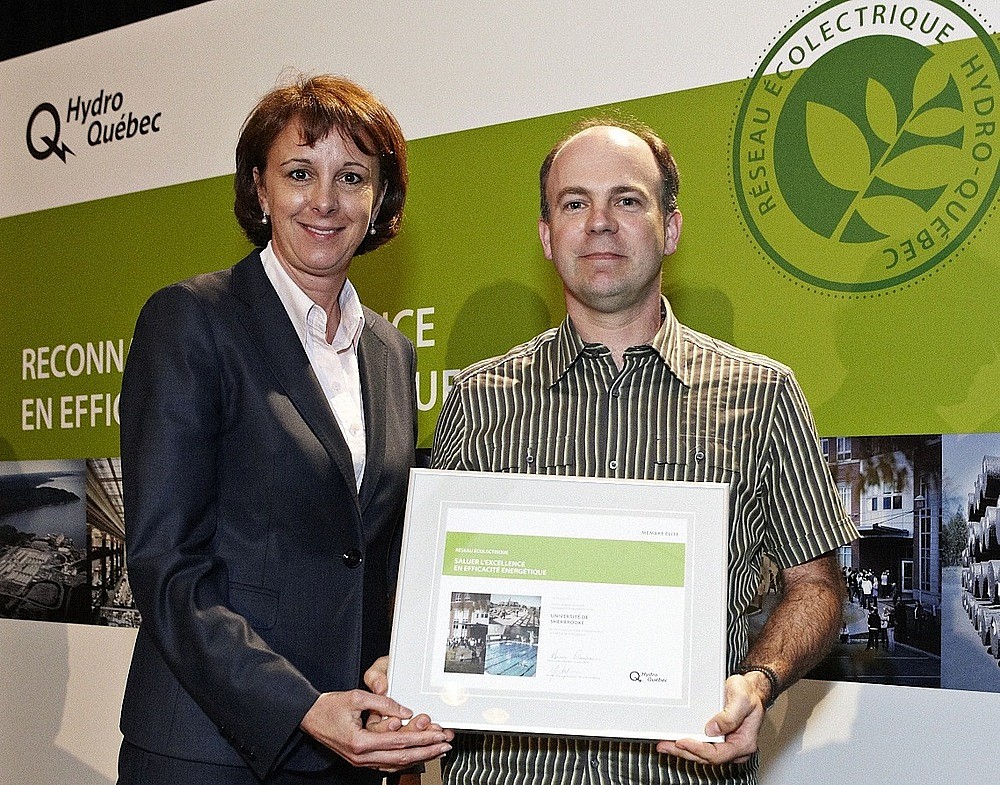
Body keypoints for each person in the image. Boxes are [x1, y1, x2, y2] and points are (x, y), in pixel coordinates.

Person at [426, 118, 858, 784]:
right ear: (547, 235)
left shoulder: (763, 394)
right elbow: (443, 606)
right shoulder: (477, 399)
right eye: (575, 202)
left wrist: (758, 680)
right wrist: (413, 660)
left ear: (671, 226)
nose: (599, 222)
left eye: (627, 199)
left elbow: (818, 588)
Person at [117, 74, 452, 785]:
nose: (325, 201)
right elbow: (165, 565)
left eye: (352, 177)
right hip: (209, 749)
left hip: (347, 750)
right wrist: (300, 705)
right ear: (259, 189)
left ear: (379, 200)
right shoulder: (191, 321)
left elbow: (375, 554)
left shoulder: (390, 352)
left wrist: (402, 669)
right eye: (299, 172)